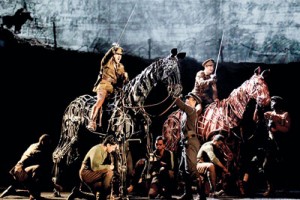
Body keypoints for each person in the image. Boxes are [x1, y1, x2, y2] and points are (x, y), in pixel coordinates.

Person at [87, 44, 129, 131]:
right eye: (117, 54)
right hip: (104, 85)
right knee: (100, 101)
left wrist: (125, 76)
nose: (119, 57)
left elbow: (123, 81)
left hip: (114, 89)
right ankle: (92, 121)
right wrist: (113, 49)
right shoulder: (106, 62)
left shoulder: (121, 67)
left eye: (120, 55)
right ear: (113, 55)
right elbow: (107, 55)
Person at [0, 134, 53, 200]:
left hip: (18, 169)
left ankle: (13, 191)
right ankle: (16, 192)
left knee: (35, 192)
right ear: (43, 142)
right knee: (39, 169)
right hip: (20, 172)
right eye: (48, 144)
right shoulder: (38, 152)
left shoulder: (33, 145)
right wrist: (53, 185)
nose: (48, 146)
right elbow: (44, 169)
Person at [173, 92, 204, 200]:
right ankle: (188, 194)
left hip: (191, 143)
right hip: (185, 143)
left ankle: (201, 194)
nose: (186, 99)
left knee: (191, 170)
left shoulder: (191, 111)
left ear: (194, 101)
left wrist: (174, 96)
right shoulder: (185, 114)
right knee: (183, 169)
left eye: (189, 98)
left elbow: (180, 104)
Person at [261, 96, 291, 196]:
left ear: (279, 103)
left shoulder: (285, 114)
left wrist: (276, 126)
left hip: (282, 142)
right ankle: (270, 187)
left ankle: (285, 187)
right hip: (271, 143)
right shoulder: (268, 114)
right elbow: (257, 119)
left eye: (274, 101)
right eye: (271, 101)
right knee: (266, 165)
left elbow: (287, 128)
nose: (272, 103)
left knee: (283, 165)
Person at [75, 134, 118, 200]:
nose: (113, 149)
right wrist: (109, 167)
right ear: (108, 145)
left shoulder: (105, 151)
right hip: (86, 173)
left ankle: (78, 193)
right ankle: (103, 197)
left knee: (102, 185)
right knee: (109, 173)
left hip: (92, 173)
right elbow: (95, 167)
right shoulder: (97, 150)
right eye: (113, 147)